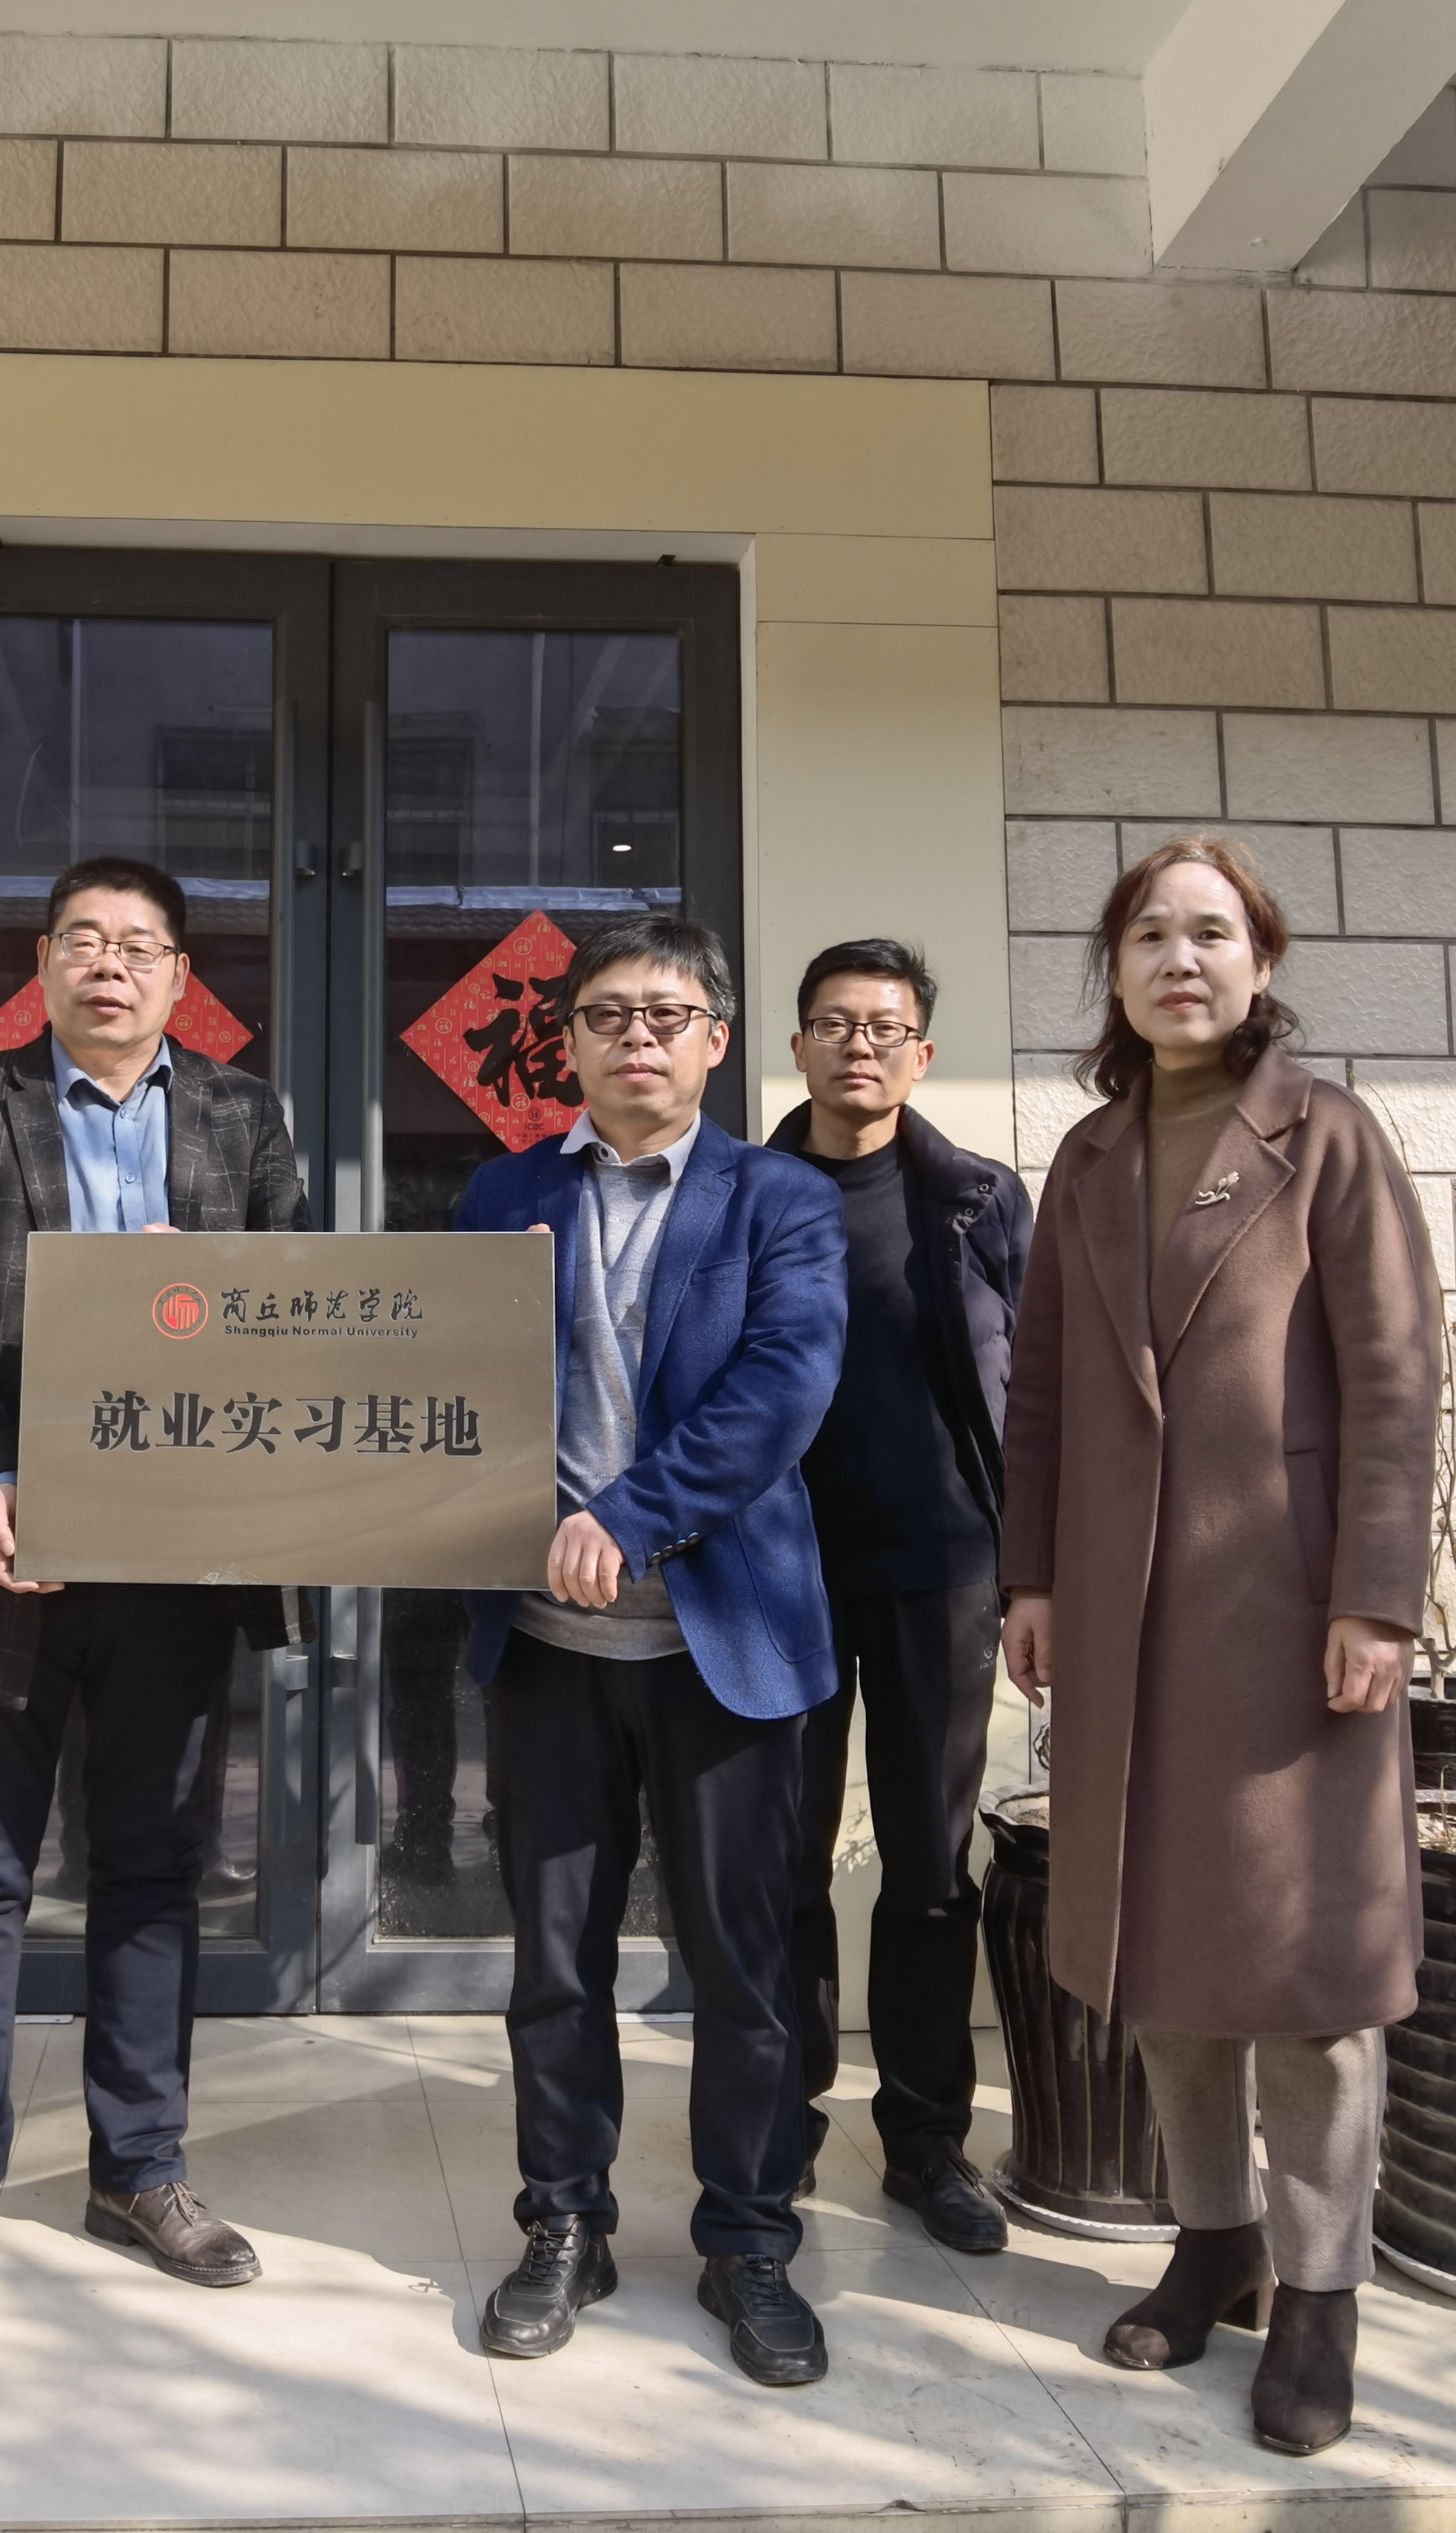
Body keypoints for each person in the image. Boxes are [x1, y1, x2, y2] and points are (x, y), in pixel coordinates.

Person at [996, 837, 1440, 2457]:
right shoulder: (1089, 1155)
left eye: (1210, 934)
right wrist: (1032, 1579)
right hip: (1124, 1618)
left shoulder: (1328, 1138)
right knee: (1160, 1947)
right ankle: (1213, 2242)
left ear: (1260, 962)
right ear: (1113, 970)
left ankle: (1320, 2294)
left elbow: (1394, 1377)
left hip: (1290, 1616)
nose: (1178, 961)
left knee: (1306, 1971)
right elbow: (1041, 1389)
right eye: (1148, 937)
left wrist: (1375, 1595)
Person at [0, 857, 307, 2318]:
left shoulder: (245, 1115)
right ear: (43, 964)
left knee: (151, 1870)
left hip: (176, 1555)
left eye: (138, 945)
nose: (109, 965)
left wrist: (219, 1287)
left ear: (181, 976)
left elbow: (299, 1301)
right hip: (4, 1544)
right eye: (82, 940)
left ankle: (141, 2168)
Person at [456, 913, 848, 2387]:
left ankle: (748, 2237)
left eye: (666, 1014)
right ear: (566, 1041)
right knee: (555, 1963)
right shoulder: (504, 1193)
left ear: (716, 1041)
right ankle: (565, 2219)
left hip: (720, 1642)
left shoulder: (780, 1199)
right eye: (607, 1014)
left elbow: (779, 1392)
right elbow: (431, 1379)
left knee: (741, 1966)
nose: (637, 1036)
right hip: (546, 1645)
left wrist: (624, 1518)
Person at [762, 938, 1030, 2253]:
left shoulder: (978, 1199)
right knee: (784, 1861)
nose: (858, 1046)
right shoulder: (743, 1192)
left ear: (920, 1055)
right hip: (779, 1573)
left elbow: (1037, 1391)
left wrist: (1036, 1569)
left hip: (941, 1565)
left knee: (930, 1864)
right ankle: (781, 2118)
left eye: (884, 1028)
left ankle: (926, 2140)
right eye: (834, 1024)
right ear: (797, 1046)